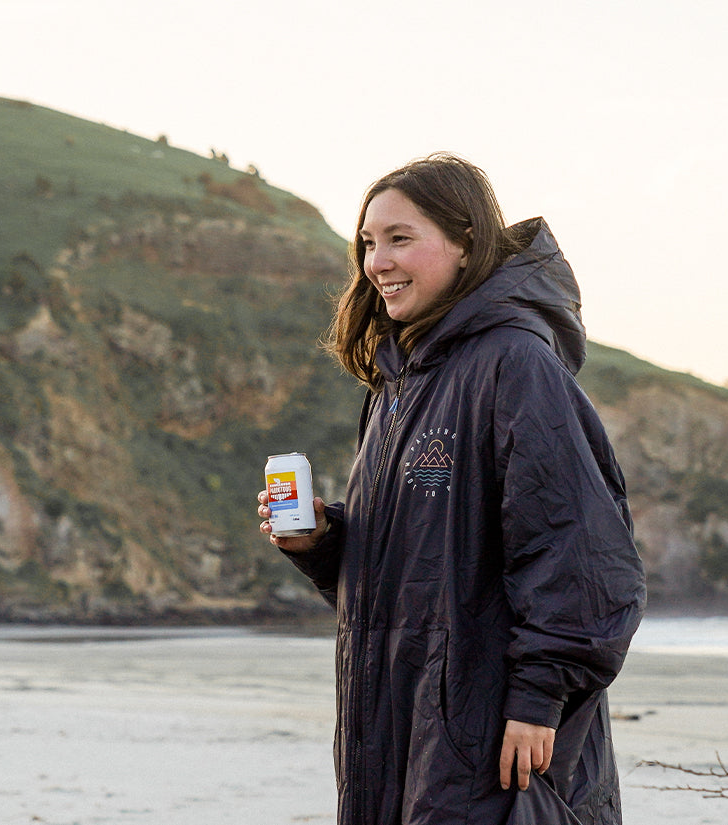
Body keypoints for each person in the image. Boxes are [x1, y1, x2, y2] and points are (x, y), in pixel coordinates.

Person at [256, 154, 645, 824]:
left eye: (400, 238)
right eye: (369, 244)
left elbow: (582, 555)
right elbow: (414, 571)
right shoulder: (396, 387)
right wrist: (324, 542)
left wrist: (537, 700)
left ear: (466, 243)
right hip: (397, 733)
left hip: (492, 742)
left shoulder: (516, 364)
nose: (378, 262)